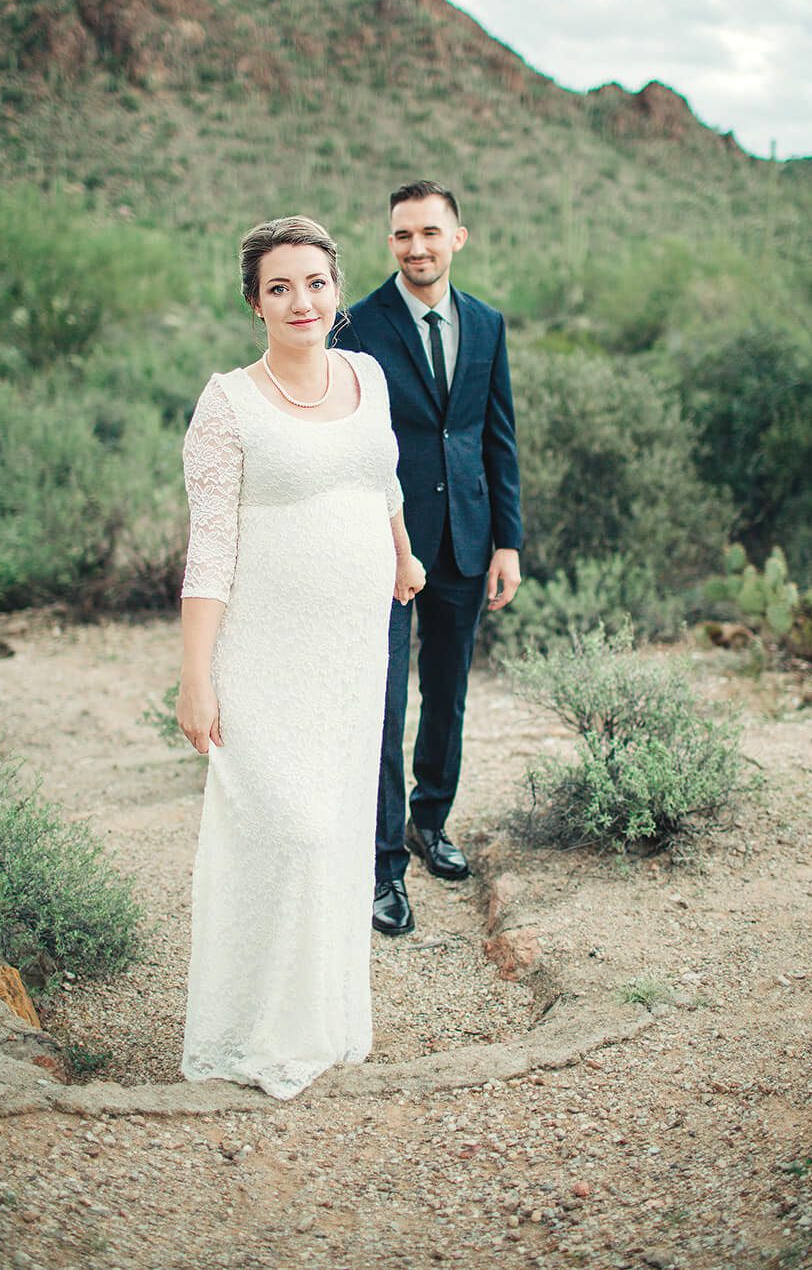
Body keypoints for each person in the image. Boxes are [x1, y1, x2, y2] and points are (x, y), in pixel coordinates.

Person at [176, 216, 424, 1098]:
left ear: (337, 290)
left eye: (315, 283)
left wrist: (401, 552)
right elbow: (208, 550)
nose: (301, 301)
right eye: (279, 287)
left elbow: (384, 475)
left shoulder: (369, 375)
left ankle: (320, 1023)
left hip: (355, 644)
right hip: (263, 648)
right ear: (254, 304)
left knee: (339, 833)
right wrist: (197, 675)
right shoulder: (227, 404)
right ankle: (251, 1030)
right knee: (284, 829)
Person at [333, 180, 522, 937]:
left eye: (430, 233)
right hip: (380, 543)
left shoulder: (486, 323)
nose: (417, 247)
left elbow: (495, 435)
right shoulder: (356, 325)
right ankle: (383, 867)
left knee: (446, 695)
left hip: (467, 541)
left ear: (458, 237)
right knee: (383, 704)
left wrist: (507, 539)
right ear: (390, 242)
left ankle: (429, 821)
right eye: (403, 234)